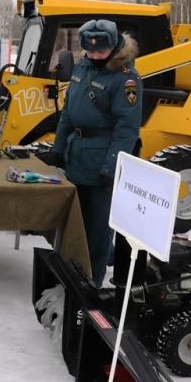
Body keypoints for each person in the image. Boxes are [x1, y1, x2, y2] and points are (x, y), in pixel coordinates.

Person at [52, 19, 142, 287]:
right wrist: (58, 148)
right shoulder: (83, 68)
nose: (94, 55)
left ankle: (92, 281)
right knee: (76, 223)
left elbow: (127, 130)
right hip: (76, 156)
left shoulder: (125, 79)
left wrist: (111, 168)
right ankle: (72, 271)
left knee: (98, 230)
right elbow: (68, 112)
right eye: (90, 51)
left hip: (102, 161)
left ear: (113, 47)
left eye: (100, 52)